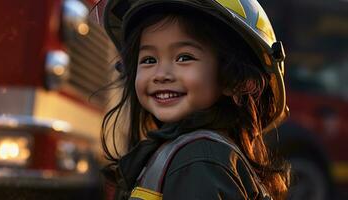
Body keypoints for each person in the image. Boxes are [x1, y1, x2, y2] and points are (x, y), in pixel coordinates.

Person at [96, 0, 291, 199]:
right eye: (149, 60)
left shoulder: (199, 159)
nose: (161, 74)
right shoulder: (192, 153)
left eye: (184, 57)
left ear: (234, 79)